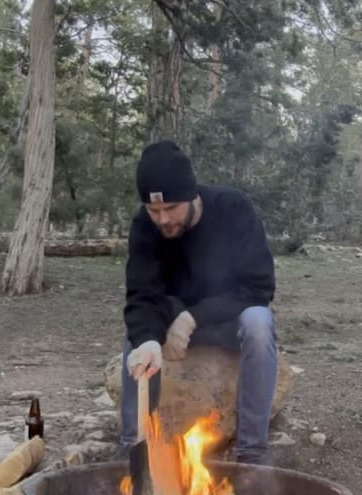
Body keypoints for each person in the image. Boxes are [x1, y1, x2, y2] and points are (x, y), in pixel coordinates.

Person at [118, 140, 278, 465]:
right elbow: (141, 295)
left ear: (193, 196)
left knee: (259, 323)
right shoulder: (144, 226)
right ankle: (133, 451)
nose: (163, 219)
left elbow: (258, 288)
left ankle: (251, 454)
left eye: (171, 208)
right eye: (154, 210)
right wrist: (149, 339)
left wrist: (192, 318)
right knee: (135, 343)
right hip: (172, 320)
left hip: (228, 321)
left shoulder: (234, 209)